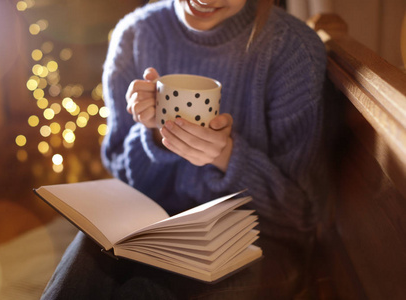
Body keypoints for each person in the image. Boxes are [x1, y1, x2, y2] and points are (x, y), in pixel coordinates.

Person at [41, 0, 327, 299]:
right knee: (80, 270)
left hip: (258, 244)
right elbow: (121, 176)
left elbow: (302, 212)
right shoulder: (136, 34)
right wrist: (151, 134)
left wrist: (225, 156)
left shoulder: (291, 49)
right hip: (154, 227)